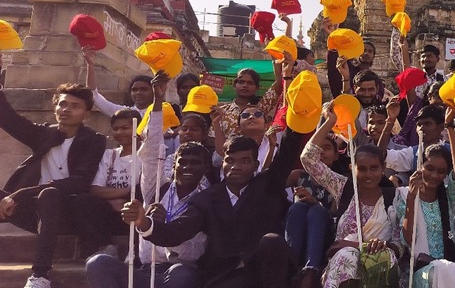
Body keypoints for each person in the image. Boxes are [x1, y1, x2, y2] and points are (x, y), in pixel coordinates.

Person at [121, 49, 299, 288]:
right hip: (223, 276)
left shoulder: (266, 184)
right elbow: (177, 232)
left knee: (272, 242)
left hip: (264, 273)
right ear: (221, 161)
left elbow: (287, 152)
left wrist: (296, 102)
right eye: (230, 160)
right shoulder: (208, 198)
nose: (236, 167)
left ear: (256, 165)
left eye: (245, 161)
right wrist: (144, 223)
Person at [86, 75, 208, 288]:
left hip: (182, 272)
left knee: (180, 274)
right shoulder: (156, 188)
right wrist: (158, 101)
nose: (187, 168)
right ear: (173, 164)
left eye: (195, 163)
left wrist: (146, 222)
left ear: (206, 168)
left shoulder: (205, 197)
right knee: (98, 263)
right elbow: (151, 151)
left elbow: (180, 236)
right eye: (183, 162)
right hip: (145, 271)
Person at [0, 80, 107, 288]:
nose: (66, 110)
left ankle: (40, 276)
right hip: (33, 212)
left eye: (75, 106)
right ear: (55, 107)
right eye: (62, 104)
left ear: (86, 114)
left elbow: (79, 182)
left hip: (69, 212)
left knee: (50, 194)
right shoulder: (44, 134)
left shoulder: (93, 140)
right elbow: (9, 119)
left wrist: (19, 194)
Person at [301, 105, 400, 288]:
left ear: (383, 167)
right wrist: (329, 122)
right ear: (351, 168)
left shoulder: (394, 197)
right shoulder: (344, 188)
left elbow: (400, 245)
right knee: (348, 256)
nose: (368, 174)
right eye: (362, 169)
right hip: (343, 270)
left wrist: (360, 246)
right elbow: (308, 159)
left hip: (378, 271)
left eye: (374, 168)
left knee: (371, 256)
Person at [395, 128, 455, 288]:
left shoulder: (447, 196)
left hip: (449, 266)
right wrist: (412, 198)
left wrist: (450, 129)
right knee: (438, 270)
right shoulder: (404, 195)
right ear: (421, 165)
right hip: (421, 272)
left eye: (441, 171)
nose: (434, 175)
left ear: (445, 174)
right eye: (430, 168)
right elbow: (408, 240)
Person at [76, 108, 144, 257]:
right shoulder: (109, 155)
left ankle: (137, 249)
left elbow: (147, 189)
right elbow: (95, 189)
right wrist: (125, 194)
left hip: (138, 213)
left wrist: (125, 198)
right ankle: (105, 247)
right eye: (116, 129)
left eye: (125, 128)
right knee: (83, 199)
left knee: (140, 191)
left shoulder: (147, 154)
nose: (120, 132)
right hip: (111, 213)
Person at [285, 132, 342, 288]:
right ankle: (290, 266)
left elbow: (334, 214)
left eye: (327, 148)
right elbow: (271, 184)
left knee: (316, 211)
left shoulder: (339, 182)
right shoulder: (298, 175)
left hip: (325, 233)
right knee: (298, 207)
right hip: (297, 230)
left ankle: (310, 271)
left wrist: (314, 201)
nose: (321, 152)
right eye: (317, 148)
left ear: (336, 155)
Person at [215, 65, 284, 139]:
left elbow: (279, 82)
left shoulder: (261, 107)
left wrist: (276, 59)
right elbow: (212, 140)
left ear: (257, 88)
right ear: (234, 85)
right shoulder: (222, 112)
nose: (245, 85)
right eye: (241, 82)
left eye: (250, 83)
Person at [83, 47, 154, 117]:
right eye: (134, 90)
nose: (138, 93)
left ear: (154, 91)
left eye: (144, 89)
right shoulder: (124, 113)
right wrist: (90, 65)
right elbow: (93, 94)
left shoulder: (162, 113)